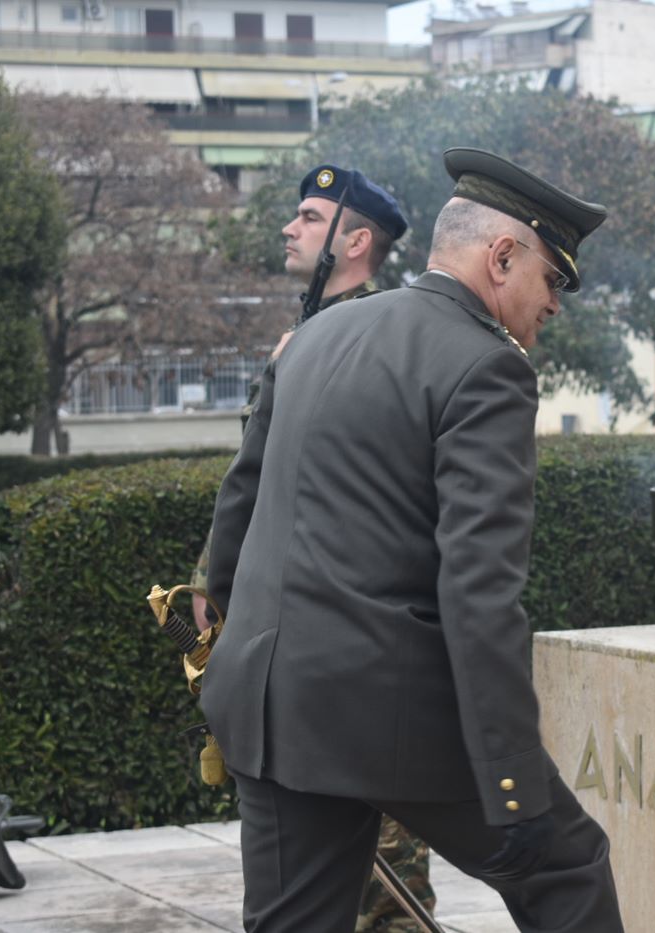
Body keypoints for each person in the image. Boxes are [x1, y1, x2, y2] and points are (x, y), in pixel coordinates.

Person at [200, 147, 622, 933]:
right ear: (501, 256)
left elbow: (243, 490)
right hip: (376, 707)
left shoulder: (321, 335)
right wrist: (511, 783)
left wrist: (215, 604)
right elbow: (479, 593)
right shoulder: (489, 367)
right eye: (552, 279)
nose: (554, 304)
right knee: (567, 865)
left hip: (264, 698)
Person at [191, 164, 436, 932]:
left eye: (308, 215)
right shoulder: (304, 337)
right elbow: (254, 480)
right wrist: (213, 581)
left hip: (349, 650)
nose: (290, 227)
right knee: (305, 876)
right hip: (283, 642)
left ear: (355, 240)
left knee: (385, 885)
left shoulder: (383, 339)